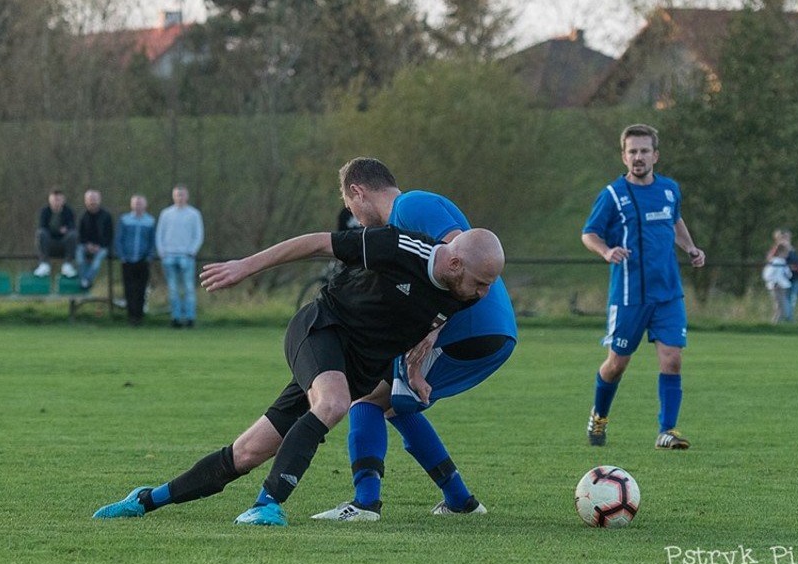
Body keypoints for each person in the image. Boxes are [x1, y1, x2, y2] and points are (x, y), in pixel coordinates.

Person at [93, 173, 505, 526]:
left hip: (359, 365)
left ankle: (147, 499)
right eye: (481, 283)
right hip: (322, 329)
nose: (485, 294)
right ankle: (266, 506)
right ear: (454, 264)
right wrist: (245, 266)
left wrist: (415, 373)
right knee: (334, 404)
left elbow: (427, 326)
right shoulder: (399, 246)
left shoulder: (463, 291)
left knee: (246, 453)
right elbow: (315, 244)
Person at [312, 159, 517, 522]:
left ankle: (364, 504)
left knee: (367, 399)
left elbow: (460, 257)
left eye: (350, 209)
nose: (356, 221)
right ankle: (460, 501)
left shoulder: (412, 206)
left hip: (469, 328)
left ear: (358, 192)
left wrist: (435, 325)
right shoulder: (402, 226)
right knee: (396, 403)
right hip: (488, 331)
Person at [581, 123, 706, 449]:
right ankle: (599, 416)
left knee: (672, 360)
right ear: (624, 156)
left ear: (655, 155)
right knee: (616, 365)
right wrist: (606, 250)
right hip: (628, 296)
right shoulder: (612, 195)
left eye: (644, 151)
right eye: (632, 151)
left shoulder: (669, 189)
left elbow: (674, 220)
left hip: (667, 293)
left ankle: (667, 430)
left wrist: (690, 248)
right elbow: (589, 233)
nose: (638, 157)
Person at [156, 184, 204, 328]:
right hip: (169, 256)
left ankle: (190, 318)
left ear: (187, 196)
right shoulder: (166, 214)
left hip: (186, 256)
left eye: (182, 194)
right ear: (173, 196)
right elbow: (160, 234)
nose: (180, 197)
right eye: (177, 195)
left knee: (188, 288)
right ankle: (175, 318)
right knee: (173, 289)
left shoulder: (194, 214)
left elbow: (198, 235)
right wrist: (162, 251)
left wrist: (192, 251)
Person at [114, 194, 156, 325]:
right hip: (127, 260)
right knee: (129, 289)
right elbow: (119, 239)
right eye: (136, 203)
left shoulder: (150, 221)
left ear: (145, 205)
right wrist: (122, 256)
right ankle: (131, 315)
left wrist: (149, 256)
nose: (138, 205)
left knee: (141, 289)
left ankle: (139, 316)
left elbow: (152, 241)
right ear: (131, 205)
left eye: (140, 203)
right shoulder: (125, 219)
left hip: (143, 260)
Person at [34, 188, 78, 278]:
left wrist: (61, 231)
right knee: (41, 233)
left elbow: (71, 227)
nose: (56, 202)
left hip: (64, 243)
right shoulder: (44, 212)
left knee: (73, 235)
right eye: (54, 200)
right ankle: (44, 264)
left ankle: (67, 265)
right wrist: (58, 231)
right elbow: (42, 227)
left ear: (63, 200)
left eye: (58, 200)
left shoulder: (69, 211)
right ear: (49, 200)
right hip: (49, 243)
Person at [75, 190, 114, 289]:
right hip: (85, 245)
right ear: (85, 201)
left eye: (94, 199)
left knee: (96, 263)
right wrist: (88, 245)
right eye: (90, 199)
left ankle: (86, 280)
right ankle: (85, 281)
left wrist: (99, 246)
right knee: (79, 258)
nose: (92, 202)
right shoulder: (82, 216)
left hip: (102, 246)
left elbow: (109, 235)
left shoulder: (106, 216)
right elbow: (79, 235)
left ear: (99, 200)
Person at [762, 242, 792, 324]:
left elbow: (788, 274)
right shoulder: (775, 262)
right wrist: (775, 282)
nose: (787, 254)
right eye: (786, 252)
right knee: (779, 307)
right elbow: (767, 275)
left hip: (783, 287)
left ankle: (778, 323)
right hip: (776, 287)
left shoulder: (783, 262)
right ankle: (775, 324)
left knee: (782, 307)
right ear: (781, 252)